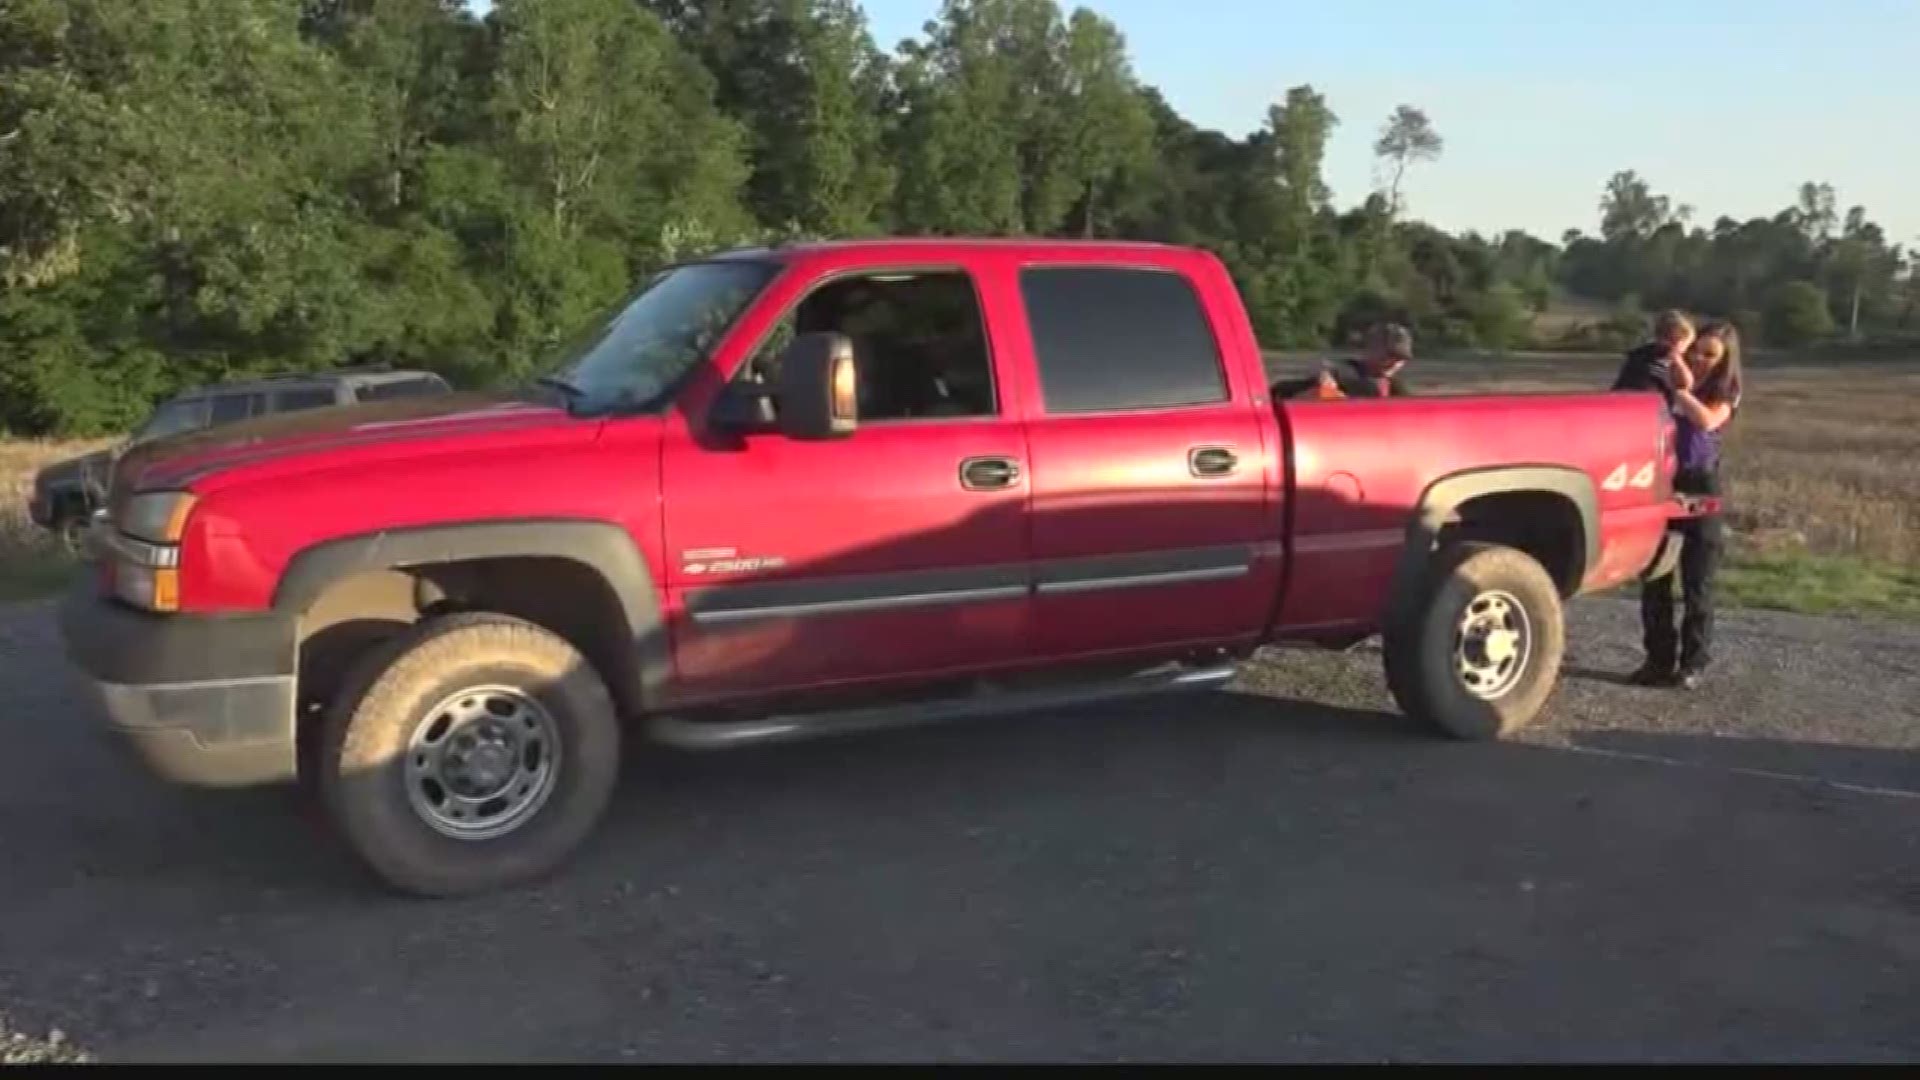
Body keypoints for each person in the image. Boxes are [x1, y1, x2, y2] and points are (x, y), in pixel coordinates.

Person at [1629, 320, 1742, 690]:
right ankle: (1657, 660)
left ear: (1725, 361)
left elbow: (1707, 420)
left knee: (1697, 583)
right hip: (1663, 483)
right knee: (1656, 579)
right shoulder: (1670, 378)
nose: (1700, 359)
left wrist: (1678, 393)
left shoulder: (1724, 392)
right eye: (1695, 351)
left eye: (1710, 355)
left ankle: (1693, 663)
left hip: (1701, 488)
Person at [1272, 322, 1415, 401]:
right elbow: (1284, 394)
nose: (1394, 363)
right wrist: (1324, 384)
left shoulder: (1397, 389)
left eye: (1401, 359)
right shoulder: (1346, 372)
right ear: (1370, 349)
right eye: (1389, 355)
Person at [1611, 308, 1695, 406]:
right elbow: (1628, 387)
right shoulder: (1642, 357)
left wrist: (1678, 361)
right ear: (1658, 337)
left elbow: (1686, 385)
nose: (1676, 345)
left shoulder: (1692, 357)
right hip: (1642, 403)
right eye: (1670, 339)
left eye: (1681, 339)